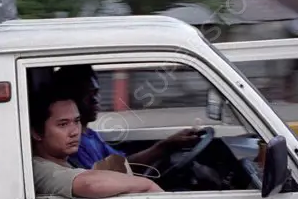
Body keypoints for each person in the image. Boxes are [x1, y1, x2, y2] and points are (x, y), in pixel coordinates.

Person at [53, 64, 203, 170]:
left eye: (96, 93)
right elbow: (119, 172)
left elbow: (122, 163)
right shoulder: (74, 144)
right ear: (70, 100)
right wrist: (164, 147)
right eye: (87, 95)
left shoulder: (90, 135)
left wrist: (166, 145)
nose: (95, 100)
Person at [30, 82, 163, 199]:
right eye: (63, 124)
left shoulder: (66, 160)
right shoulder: (38, 169)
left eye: (76, 121)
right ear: (37, 132)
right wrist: (147, 185)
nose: (75, 131)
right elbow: (91, 184)